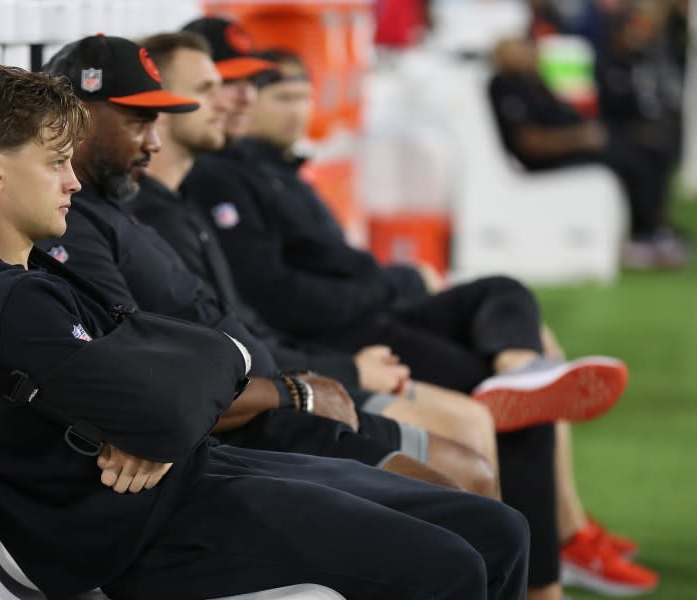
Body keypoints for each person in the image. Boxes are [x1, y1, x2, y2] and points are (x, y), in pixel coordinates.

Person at [0, 59, 531, 600]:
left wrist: (199, 381)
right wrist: (198, 386)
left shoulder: (23, 270)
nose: (73, 181)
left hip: (198, 474)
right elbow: (165, 402)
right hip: (145, 535)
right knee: (450, 566)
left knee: (498, 529)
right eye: (55, 164)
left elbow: (174, 369)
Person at [179, 26, 629, 600]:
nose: (243, 101)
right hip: (338, 342)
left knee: (508, 301)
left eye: (296, 93)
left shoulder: (264, 170)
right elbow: (277, 300)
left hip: (344, 335)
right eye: (271, 93)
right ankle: (547, 575)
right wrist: (362, 334)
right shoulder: (216, 181)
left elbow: (318, 275)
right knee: (496, 414)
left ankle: (528, 392)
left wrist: (386, 288)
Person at [35, 33, 500, 496]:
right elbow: (143, 373)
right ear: (78, 117)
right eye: (139, 120)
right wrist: (304, 387)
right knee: (467, 481)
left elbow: (227, 329)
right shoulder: (81, 222)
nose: (153, 140)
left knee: (472, 470)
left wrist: (302, 384)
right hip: (240, 435)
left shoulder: (129, 204)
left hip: (272, 400)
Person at [489, 36, 687, 269]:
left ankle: (655, 226)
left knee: (650, 149)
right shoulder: (504, 86)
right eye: (521, 47)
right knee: (631, 160)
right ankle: (642, 237)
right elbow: (529, 142)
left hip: (572, 145)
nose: (530, 52)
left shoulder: (533, 82)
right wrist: (579, 138)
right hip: (549, 158)